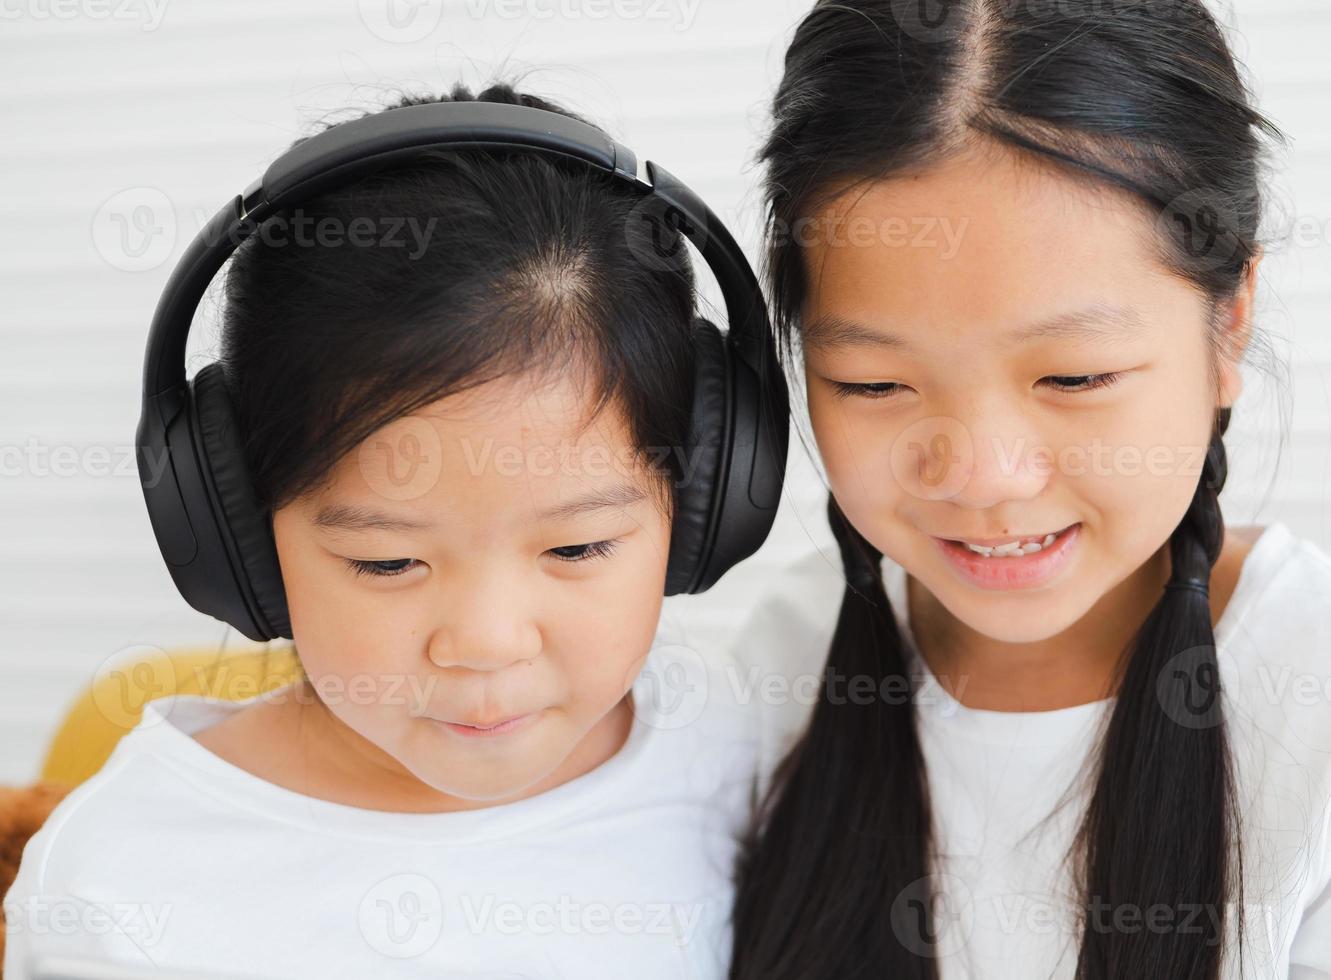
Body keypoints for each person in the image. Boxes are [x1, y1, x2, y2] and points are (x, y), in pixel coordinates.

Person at [3, 82, 767, 980]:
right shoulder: (120, 885)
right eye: (389, 560)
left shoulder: (730, 748)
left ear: (703, 506)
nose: (484, 645)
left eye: (575, 548)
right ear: (237, 531)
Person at [726, 2, 1331, 978]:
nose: (981, 476)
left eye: (1074, 376)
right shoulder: (771, 669)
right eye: (873, 384)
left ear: (1227, 327)